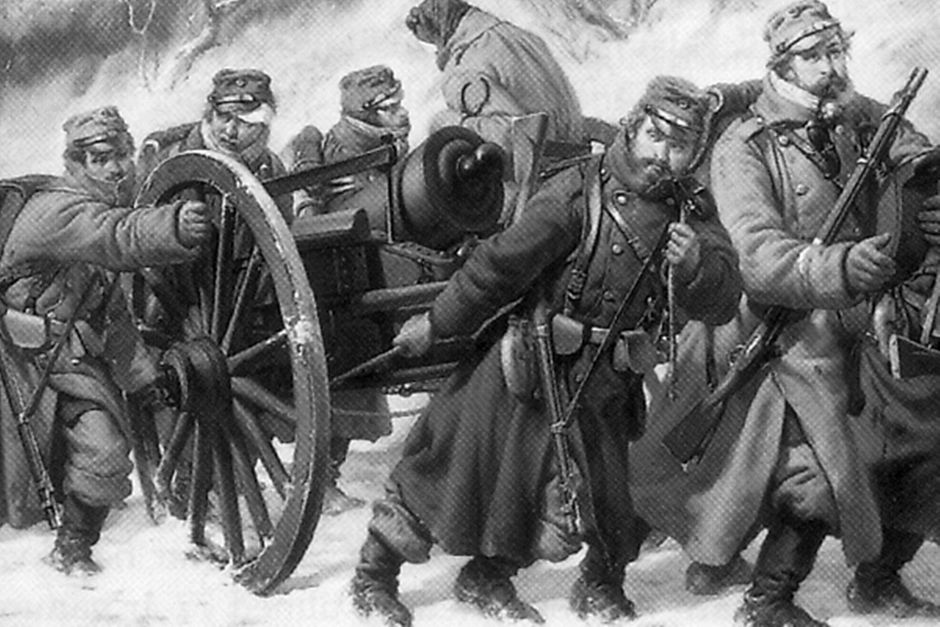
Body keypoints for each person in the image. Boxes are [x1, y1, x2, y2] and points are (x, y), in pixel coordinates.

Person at [348, 76, 742, 627]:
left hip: (608, 380)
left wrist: (697, 266)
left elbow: (723, 300)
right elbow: (498, 267)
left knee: (598, 496)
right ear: (633, 127)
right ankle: (373, 577)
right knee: (451, 471)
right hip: (531, 369)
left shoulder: (691, 216)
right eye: (656, 136)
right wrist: (437, 323)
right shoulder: (579, 194)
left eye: (679, 146)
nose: (663, 155)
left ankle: (528, 580)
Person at [702, 2, 940, 625]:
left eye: (837, 51)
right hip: (791, 332)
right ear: (782, 64)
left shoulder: (864, 117)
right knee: (820, 468)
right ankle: (767, 601)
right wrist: (839, 268)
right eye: (814, 56)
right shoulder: (743, 147)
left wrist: (931, 204)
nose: (832, 67)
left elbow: (921, 167)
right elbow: (757, 255)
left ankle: (879, 578)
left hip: (874, 320)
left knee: (923, 443)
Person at [0, 106, 210, 575]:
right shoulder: (57, 211)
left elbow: (114, 317)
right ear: (73, 164)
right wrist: (173, 226)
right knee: (80, 453)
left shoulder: (92, 212)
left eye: (121, 156)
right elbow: (116, 236)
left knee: (105, 452)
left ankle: (73, 546)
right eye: (100, 159)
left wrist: (144, 380)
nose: (116, 169)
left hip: (68, 362)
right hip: (19, 362)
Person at [281, 65, 410, 514]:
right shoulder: (333, 146)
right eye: (390, 107)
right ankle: (321, 480)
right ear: (366, 113)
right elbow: (312, 213)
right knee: (342, 374)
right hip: (341, 267)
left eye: (399, 102)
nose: (401, 112)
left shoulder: (391, 142)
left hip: (389, 255)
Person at [405, 0, 588, 224]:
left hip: (537, 196)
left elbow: (507, 139)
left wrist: (447, 123)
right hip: (580, 174)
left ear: (438, 34)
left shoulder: (464, 68)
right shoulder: (520, 36)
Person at [138, 68, 290, 217]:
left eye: (245, 123)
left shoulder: (272, 168)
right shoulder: (169, 157)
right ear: (210, 114)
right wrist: (176, 221)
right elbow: (139, 221)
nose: (230, 131)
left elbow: (283, 225)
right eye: (224, 117)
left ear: (262, 127)